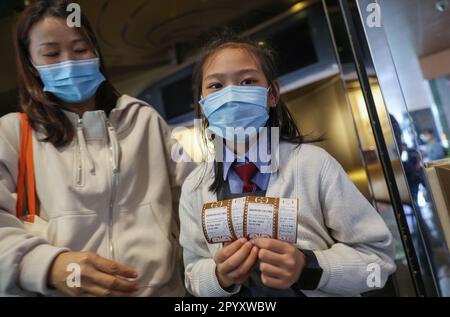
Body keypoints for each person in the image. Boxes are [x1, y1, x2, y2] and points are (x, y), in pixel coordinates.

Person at [179, 34, 396, 297]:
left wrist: (308, 267)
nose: (231, 95)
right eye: (216, 85)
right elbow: (192, 273)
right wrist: (219, 277)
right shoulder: (194, 186)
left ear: (272, 94)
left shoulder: (313, 164)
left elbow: (379, 260)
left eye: (247, 81)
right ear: (201, 106)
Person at [0, 0, 192, 296]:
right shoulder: (12, 132)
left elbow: (192, 193)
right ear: (31, 65)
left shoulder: (143, 120)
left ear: (96, 52)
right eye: (51, 53)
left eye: (80, 49)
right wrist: (47, 265)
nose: (70, 62)